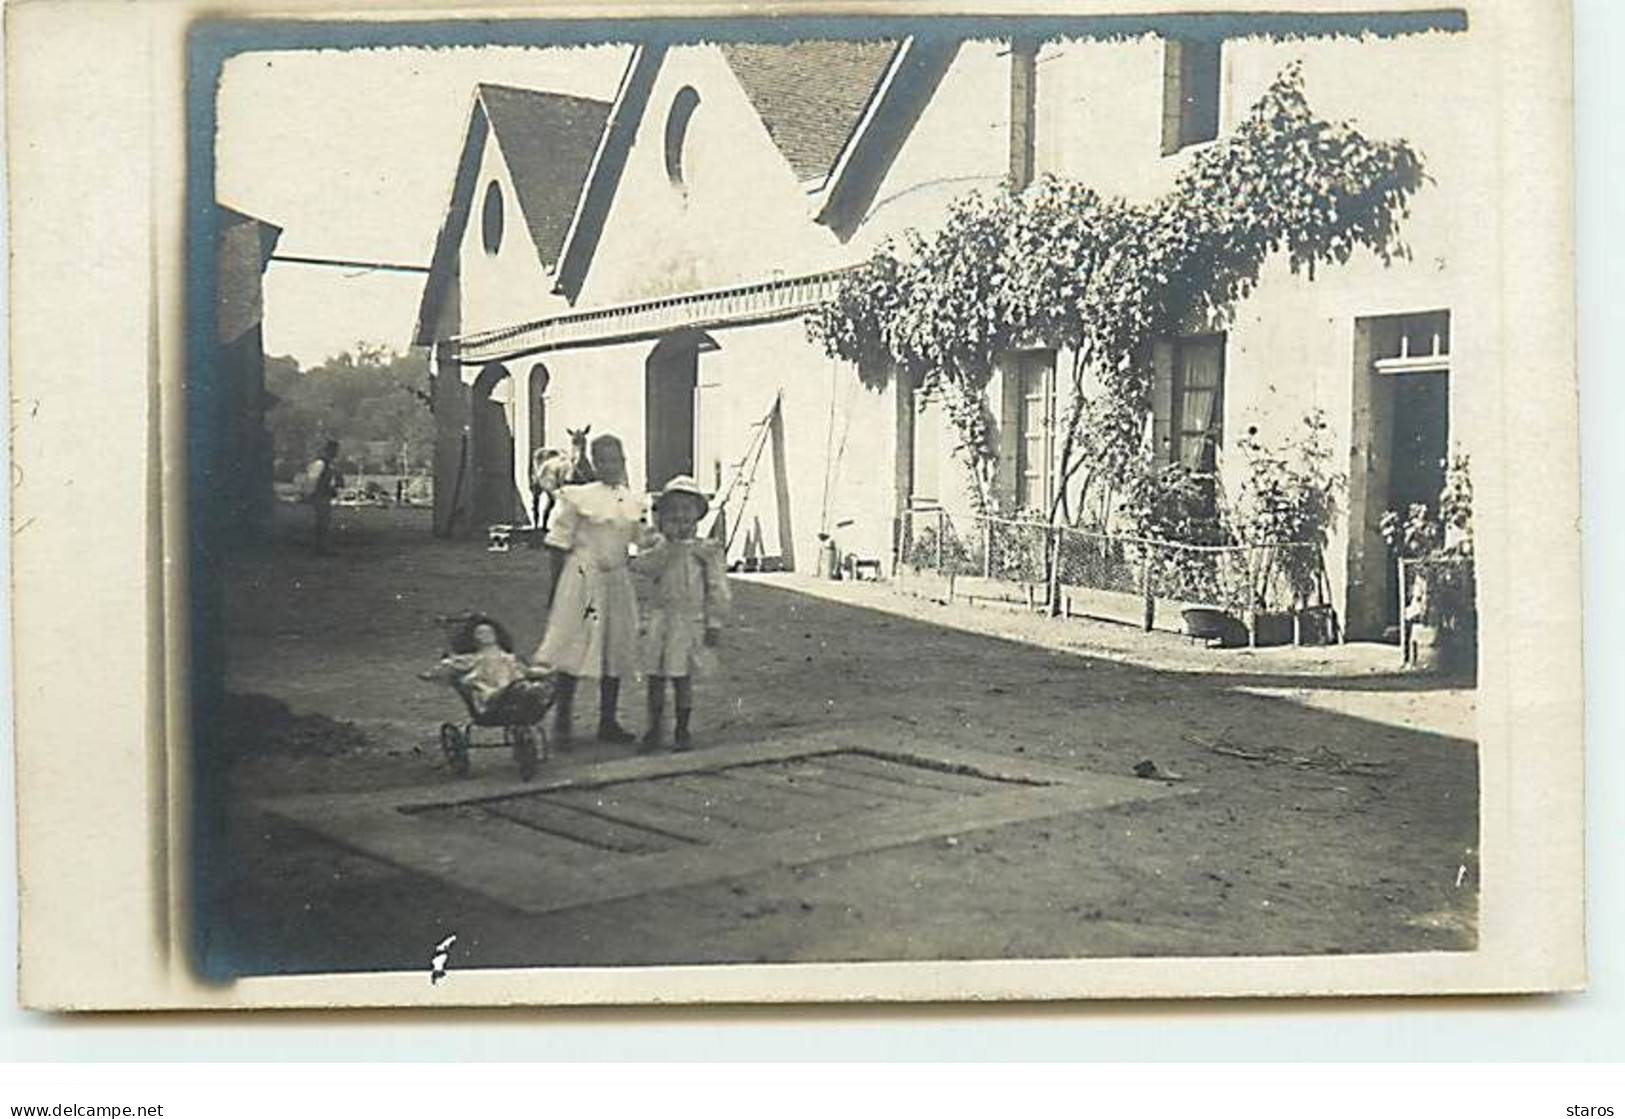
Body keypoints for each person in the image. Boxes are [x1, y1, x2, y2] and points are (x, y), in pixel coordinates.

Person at [532, 433, 648, 746]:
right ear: (595, 463)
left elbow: (643, 539)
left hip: (617, 580)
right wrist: (555, 588)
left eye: (617, 459)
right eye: (605, 460)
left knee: (615, 645)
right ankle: (563, 721)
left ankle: (607, 721)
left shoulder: (630, 500)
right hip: (582, 577)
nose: (612, 466)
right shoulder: (577, 496)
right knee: (575, 645)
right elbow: (558, 545)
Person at [631, 475, 730, 751]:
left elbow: (717, 588)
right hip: (662, 619)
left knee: (681, 676)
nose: (680, 516)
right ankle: (654, 727)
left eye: (687, 510)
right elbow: (643, 567)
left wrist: (715, 622)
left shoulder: (704, 551)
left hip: (688, 622)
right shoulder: (660, 549)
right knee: (655, 676)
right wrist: (661, 544)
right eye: (673, 511)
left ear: (697, 516)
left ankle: (682, 729)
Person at [420, 614, 555, 724]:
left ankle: (531, 692)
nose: (486, 636)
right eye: (480, 633)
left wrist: (549, 671)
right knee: (515, 689)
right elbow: (449, 665)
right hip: (492, 696)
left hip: (513, 688)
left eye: (489, 632)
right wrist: (433, 673)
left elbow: (527, 671)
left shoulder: (508, 658)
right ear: (473, 638)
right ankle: (525, 691)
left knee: (525, 686)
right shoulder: (474, 658)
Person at [301, 439, 343, 555]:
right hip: (319, 496)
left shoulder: (328, 464)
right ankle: (320, 547)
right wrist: (309, 494)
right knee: (321, 522)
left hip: (324, 495)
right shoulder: (321, 464)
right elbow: (313, 480)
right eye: (335, 450)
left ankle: (322, 546)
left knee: (324, 521)